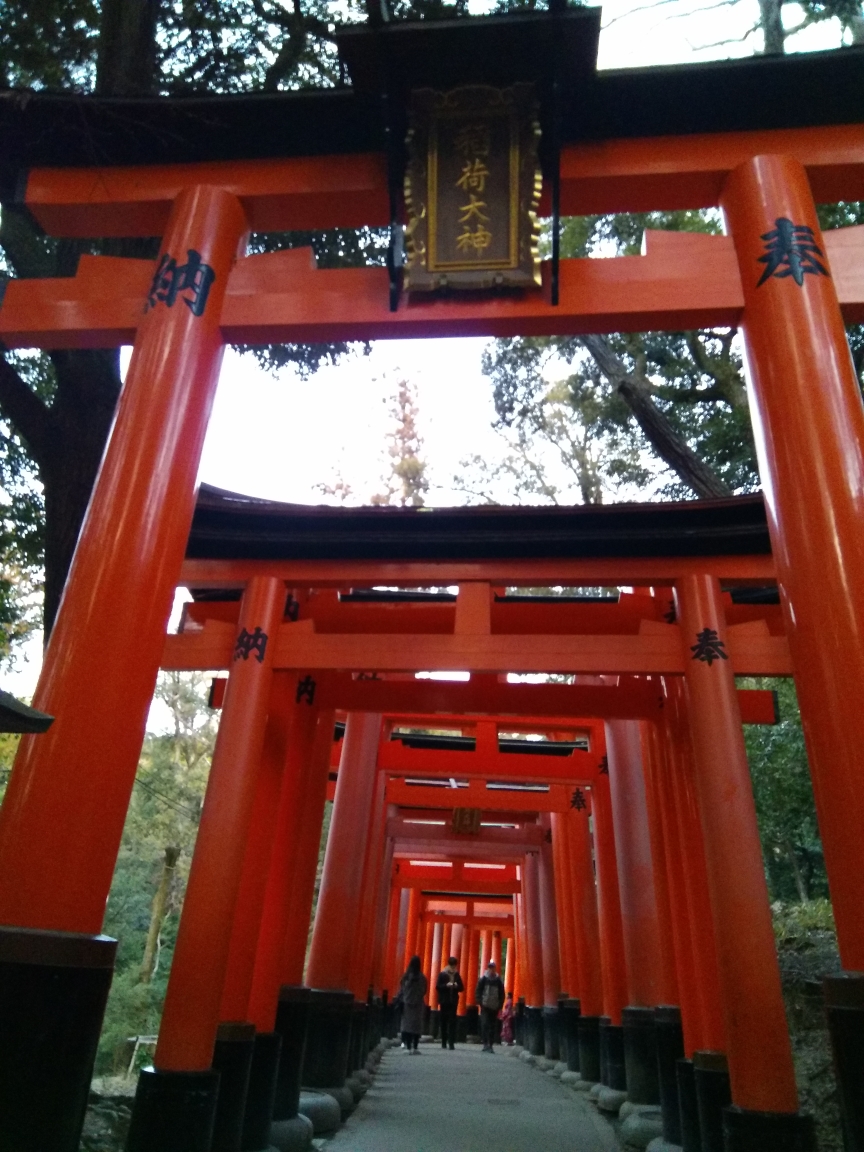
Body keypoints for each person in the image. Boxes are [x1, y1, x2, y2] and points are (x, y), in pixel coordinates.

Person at [399, 954, 428, 1054]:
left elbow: (402, 988)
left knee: (406, 1025)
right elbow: (424, 990)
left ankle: (407, 1045)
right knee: (416, 1026)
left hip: (407, 1003)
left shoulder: (406, 976)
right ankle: (415, 1046)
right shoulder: (422, 978)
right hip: (418, 1004)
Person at [435, 955, 464, 1051]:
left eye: (454, 966)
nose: (454, 968)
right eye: (452, 966)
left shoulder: (456, 975)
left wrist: (456, 985)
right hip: (444, 1001)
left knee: (452, 1022)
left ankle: (451, 1043)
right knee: (443, 1021)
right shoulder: (443, 974)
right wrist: (446, 985)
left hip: (453, 1001)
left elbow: (462, 987)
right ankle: (444, 1041)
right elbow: (438, 986)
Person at [475, 960, 505, 1053]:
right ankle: (485, 1044)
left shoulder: (498, 980)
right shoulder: (483, 979)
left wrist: (499, 1005)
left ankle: (490, 1044)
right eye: (490, 968)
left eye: (493, 968)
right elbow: (478, 992)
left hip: (494, 1007)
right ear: (488, 968)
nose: (492, 970)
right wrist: (480, 1003)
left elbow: (502, 994)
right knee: (484, 1025)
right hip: (485, 1006)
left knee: (492, 1026)